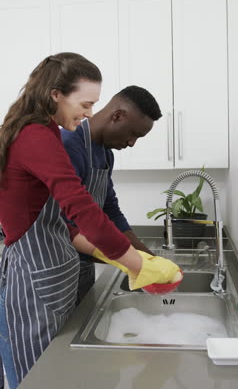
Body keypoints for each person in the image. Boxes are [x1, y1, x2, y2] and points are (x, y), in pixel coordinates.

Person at [0, 52, 181, 389]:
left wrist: (140, 258)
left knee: (49, 384)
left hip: (51, 275)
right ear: (56, 94)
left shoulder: (48, 134)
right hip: (35, 277)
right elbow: (80, 212)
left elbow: (88, 213)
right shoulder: (39, 137)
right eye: (85, 104)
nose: (88, 114)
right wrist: (136, 263)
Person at [61, 85, 162, 303]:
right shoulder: (68, 145)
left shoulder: (106, 154)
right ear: (117, 116)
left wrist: (149, 257)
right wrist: (131, 260)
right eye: (134, 134)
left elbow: (110, 211)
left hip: (81, 268)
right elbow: (65, 225)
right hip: (55, 270)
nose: (132, 143)